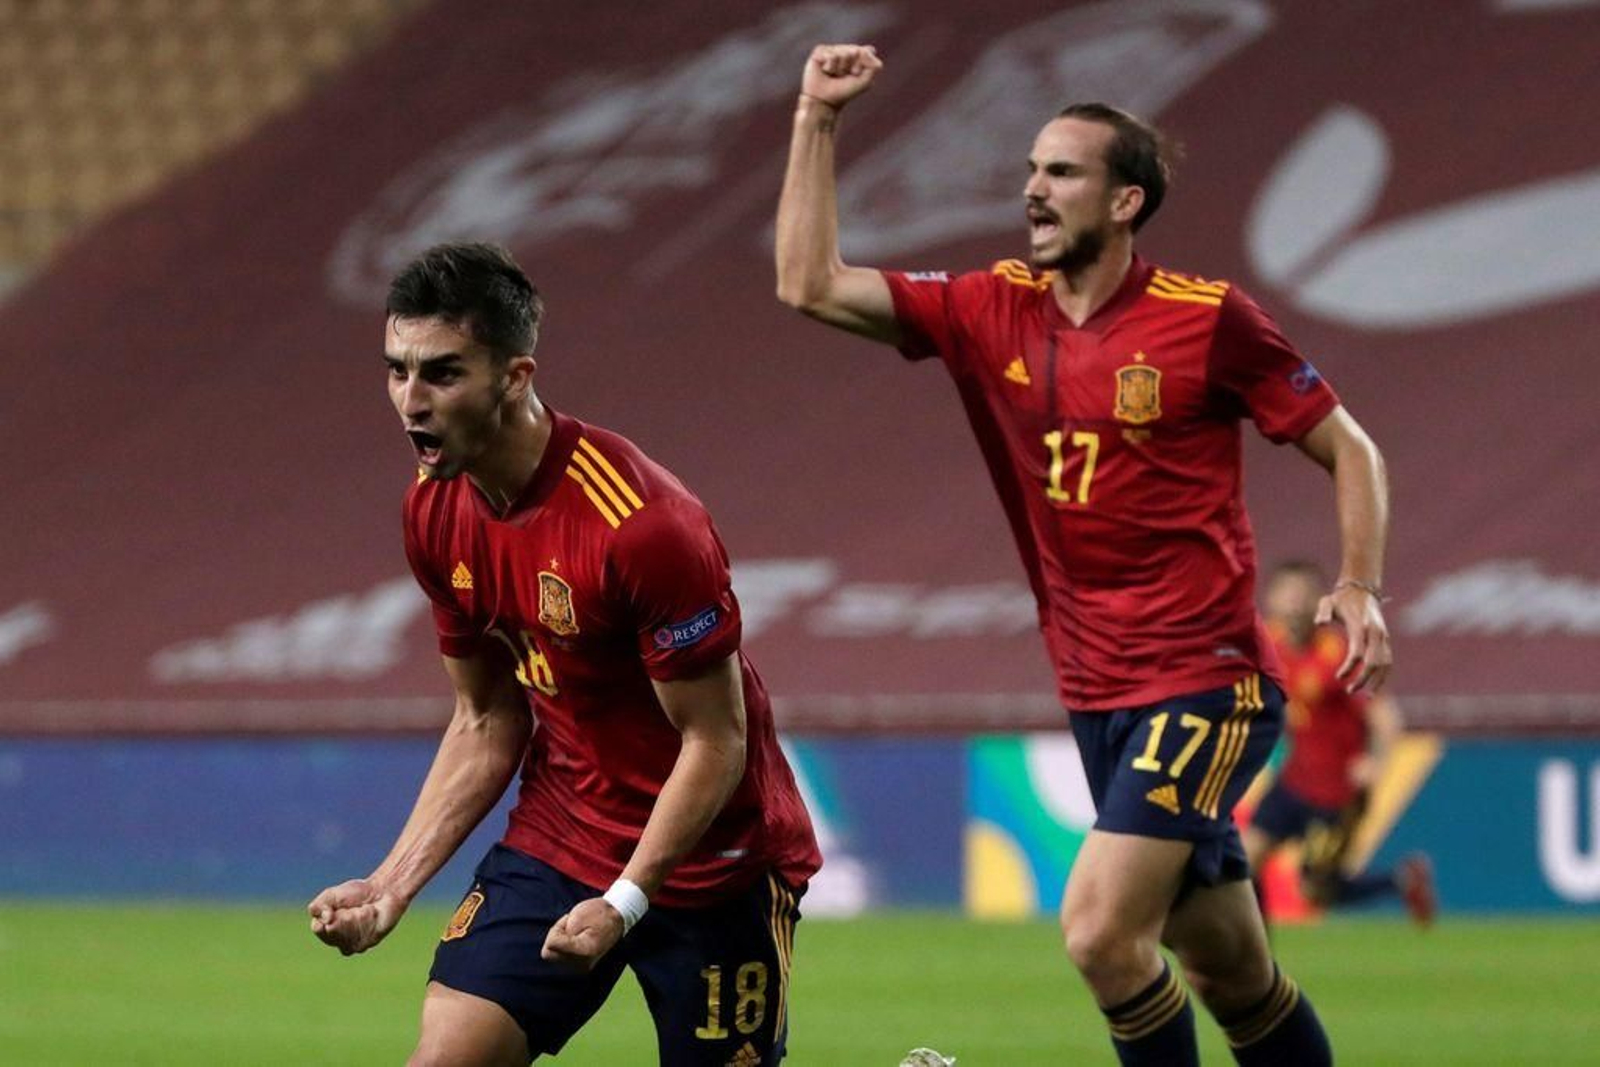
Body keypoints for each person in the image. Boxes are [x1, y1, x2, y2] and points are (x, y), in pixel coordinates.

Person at [776, 44, 1393, 1067]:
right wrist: (815, 117)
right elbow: (808, 282)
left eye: (1061, 171)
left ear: (1124, 201)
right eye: (1030, 168)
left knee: (1103, 934)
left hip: (1205, 682)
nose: (1032, 188)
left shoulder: (1207, 321)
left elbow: (1351, 448)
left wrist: (1358, 586)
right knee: (1233, 974)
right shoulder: (989, 308)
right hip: (1096, 692)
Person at [308, 242, 821, 1067]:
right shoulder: (433, 509)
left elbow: (715, 740)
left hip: (709, 863)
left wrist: (625, 899)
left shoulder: (645, 525)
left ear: (515, 376)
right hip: (561, 833)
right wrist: (390, 884)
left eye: (442, 373)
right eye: (397, 371)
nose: (411, 400)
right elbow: (485, 718)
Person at [1246, 560, 1435, 927]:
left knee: (1315, 891)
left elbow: (1385, 719)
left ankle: (1401, 880)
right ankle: (1257, 961)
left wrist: (1374, 763)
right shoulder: (1270, 645)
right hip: (1293, 782)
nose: (1294, 604)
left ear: (1320, 602)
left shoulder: (1339, 654)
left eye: (1303, 596)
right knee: (1245, 861)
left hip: (1336, 796)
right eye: (1287, 595)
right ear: (1271, 599)